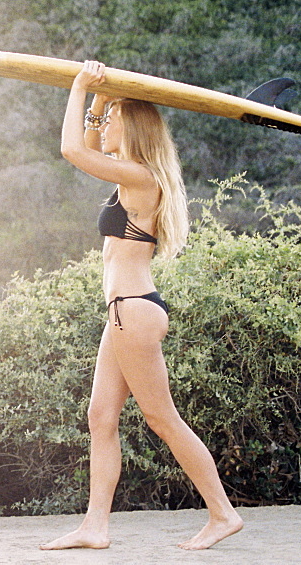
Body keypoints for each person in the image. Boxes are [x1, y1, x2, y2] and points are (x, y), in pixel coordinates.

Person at [41, 61, 244, 551]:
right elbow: (88, 145)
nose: (105, 126)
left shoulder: (140, 178)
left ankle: (222, 513)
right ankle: (95, 527)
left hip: (134, 311)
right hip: (123, 314)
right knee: (100, 416)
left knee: (162, 418)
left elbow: (71, 150)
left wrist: (79, 86)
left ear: (132, 129)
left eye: (113, 120)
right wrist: (97, 102)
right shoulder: (126, 178)